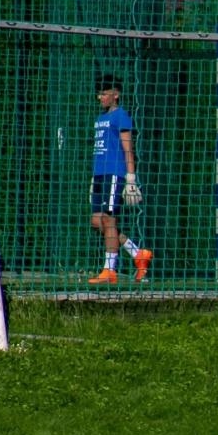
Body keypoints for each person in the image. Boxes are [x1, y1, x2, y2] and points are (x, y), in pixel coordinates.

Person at [87, 74, 154, 285]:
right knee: (97, 222)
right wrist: (93, 177)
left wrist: (131, 178)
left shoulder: (121, 117)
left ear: (116, 95)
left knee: (109, 220)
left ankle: (109, 270)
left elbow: (127, 148)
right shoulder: (100, 118)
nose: (100, 97)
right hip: (99, 175)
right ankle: (138, 254)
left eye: (104, 94)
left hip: (114, 174)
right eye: (99, 94)